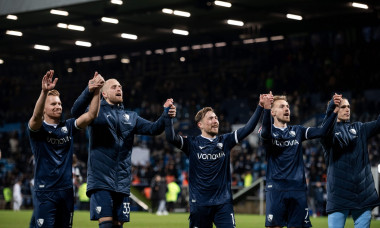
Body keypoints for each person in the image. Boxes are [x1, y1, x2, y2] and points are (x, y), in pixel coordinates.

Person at [71, 78, 176, 228]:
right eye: (114, 87)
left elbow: (154, 129)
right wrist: (89, 90)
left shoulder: (131, 116)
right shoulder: (96, 111)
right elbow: (76, 112)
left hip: (122, 182)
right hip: (101, 180)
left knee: (117, 225)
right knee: (106, 224)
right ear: (105, 94)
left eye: (120, 86)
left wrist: (166, 113)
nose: (119, 88)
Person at [165, 94, 271, 228]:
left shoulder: (225, 141)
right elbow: (170, 137)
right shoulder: (191, 143)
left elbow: (248, 128)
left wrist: (260, 107)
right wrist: (167, 116)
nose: (215, 121)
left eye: (216, 118)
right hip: (199, 204)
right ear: (200, 124)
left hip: (223, 204)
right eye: (210, 118)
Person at [28, 70, 103, 227]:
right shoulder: (37, 129)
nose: (58, 106)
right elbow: (35, 117)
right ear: (44, 109)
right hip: (45, 192)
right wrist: (44, 92)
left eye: (60, 103)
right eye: (53, 104)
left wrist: (97, 90)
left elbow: (91, 115)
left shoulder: (68, 126)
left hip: (66, 191)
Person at [260, 93, 341, 228]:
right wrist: (266, 109)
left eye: (287, 106)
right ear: (273, 112)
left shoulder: (298, 130)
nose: (287, 109)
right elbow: (266, 133)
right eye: (282, 106)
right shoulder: (266, 131)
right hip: (276, 189)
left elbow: (321, 131)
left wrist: (333, 111)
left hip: (297, 189)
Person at [320, 96, 380, 228]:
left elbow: (378, 124)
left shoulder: (360, 128)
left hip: (363, 195)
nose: (347, 109)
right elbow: (324, 134)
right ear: (336, 110)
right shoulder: (328, 132)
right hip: (339, 196)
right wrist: (330, 111)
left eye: (348, 107)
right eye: (343, 107)